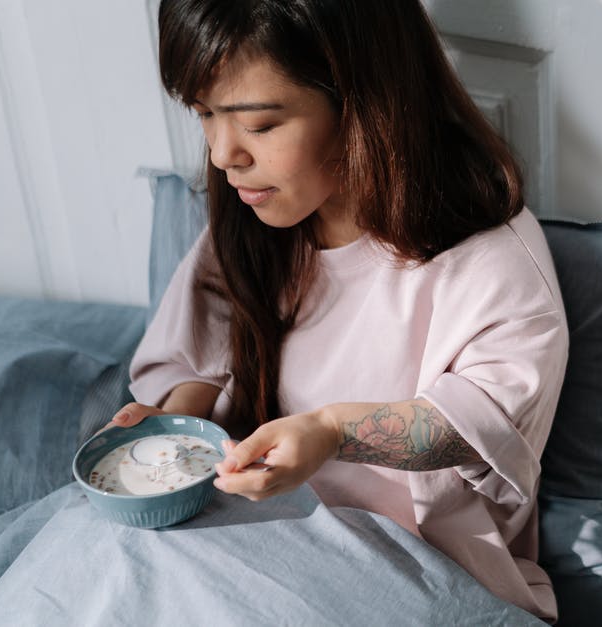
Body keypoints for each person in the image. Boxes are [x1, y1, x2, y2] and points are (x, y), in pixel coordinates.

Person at [109, 0, 569, 620]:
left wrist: (331, 433)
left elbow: (478, 429)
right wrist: (174, 430)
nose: (222, 155)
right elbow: (201, 353)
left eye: (261, 125)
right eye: (203, 114)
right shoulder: (252, 221)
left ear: (361, 101)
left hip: (412, 571)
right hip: (248, 540)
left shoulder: (488, 256)